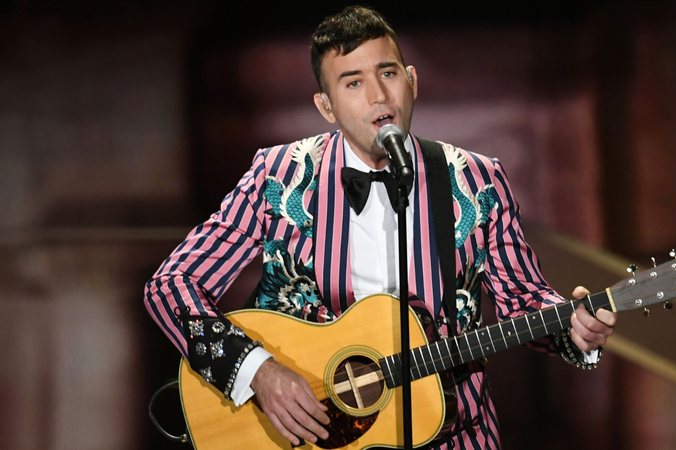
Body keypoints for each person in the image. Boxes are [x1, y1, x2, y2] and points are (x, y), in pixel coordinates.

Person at [144, 6, 617, 449]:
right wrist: (258, 372)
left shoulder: (476, 179)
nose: (377, 97)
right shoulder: (280, 175)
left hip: (455, 434)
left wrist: (572, 328)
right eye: (352, 83)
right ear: (326, 106)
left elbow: (524, 301)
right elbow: (171, 286)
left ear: (411, 82)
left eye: (387, 74)